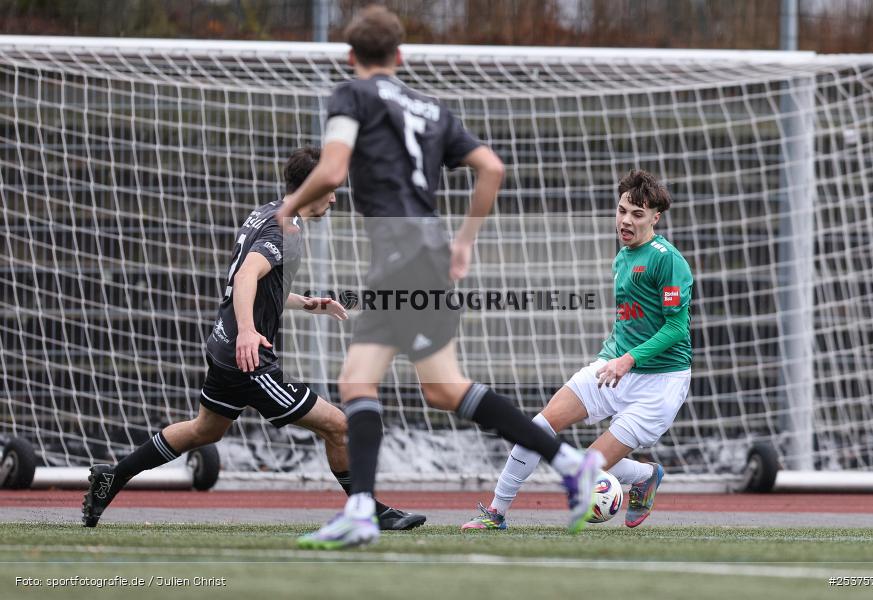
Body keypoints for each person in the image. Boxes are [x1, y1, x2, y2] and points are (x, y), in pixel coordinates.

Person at [277, 5, 603, 550]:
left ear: (351, 57)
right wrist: (465, 241)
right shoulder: (432, 108)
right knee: (442, 387)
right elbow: (492, 167)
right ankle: (570, 463)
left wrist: (287, 207)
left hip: (399, 257)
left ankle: (360, 511)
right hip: (429, 254)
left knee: (359, 382)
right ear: (400, 56)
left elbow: (331, 171)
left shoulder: (350, 95)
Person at [82, 146, 425, 532]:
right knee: (341, 426)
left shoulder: (267, 212)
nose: (334, 197)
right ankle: (369, 512)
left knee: (204, 430)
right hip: (249, 359)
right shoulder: (287, 230)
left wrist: (306, 303)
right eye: (330, 188)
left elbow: (259, 283)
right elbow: (246, 275)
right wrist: (248, 331)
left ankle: (112, 477)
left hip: (225, 347)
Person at [460, 169, 693, 531]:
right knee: (536, 427)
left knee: (588, 468)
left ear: (655, 217)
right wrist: (613, 356)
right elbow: (629, 320)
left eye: (637, 214)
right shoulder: (622, 257)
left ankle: (645, 475)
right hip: (614, 367)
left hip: (660, 383)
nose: (625, 221)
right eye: (621, 211)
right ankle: (495, 513)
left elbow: (676, 329)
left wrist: (627, 359)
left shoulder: (668, 260)